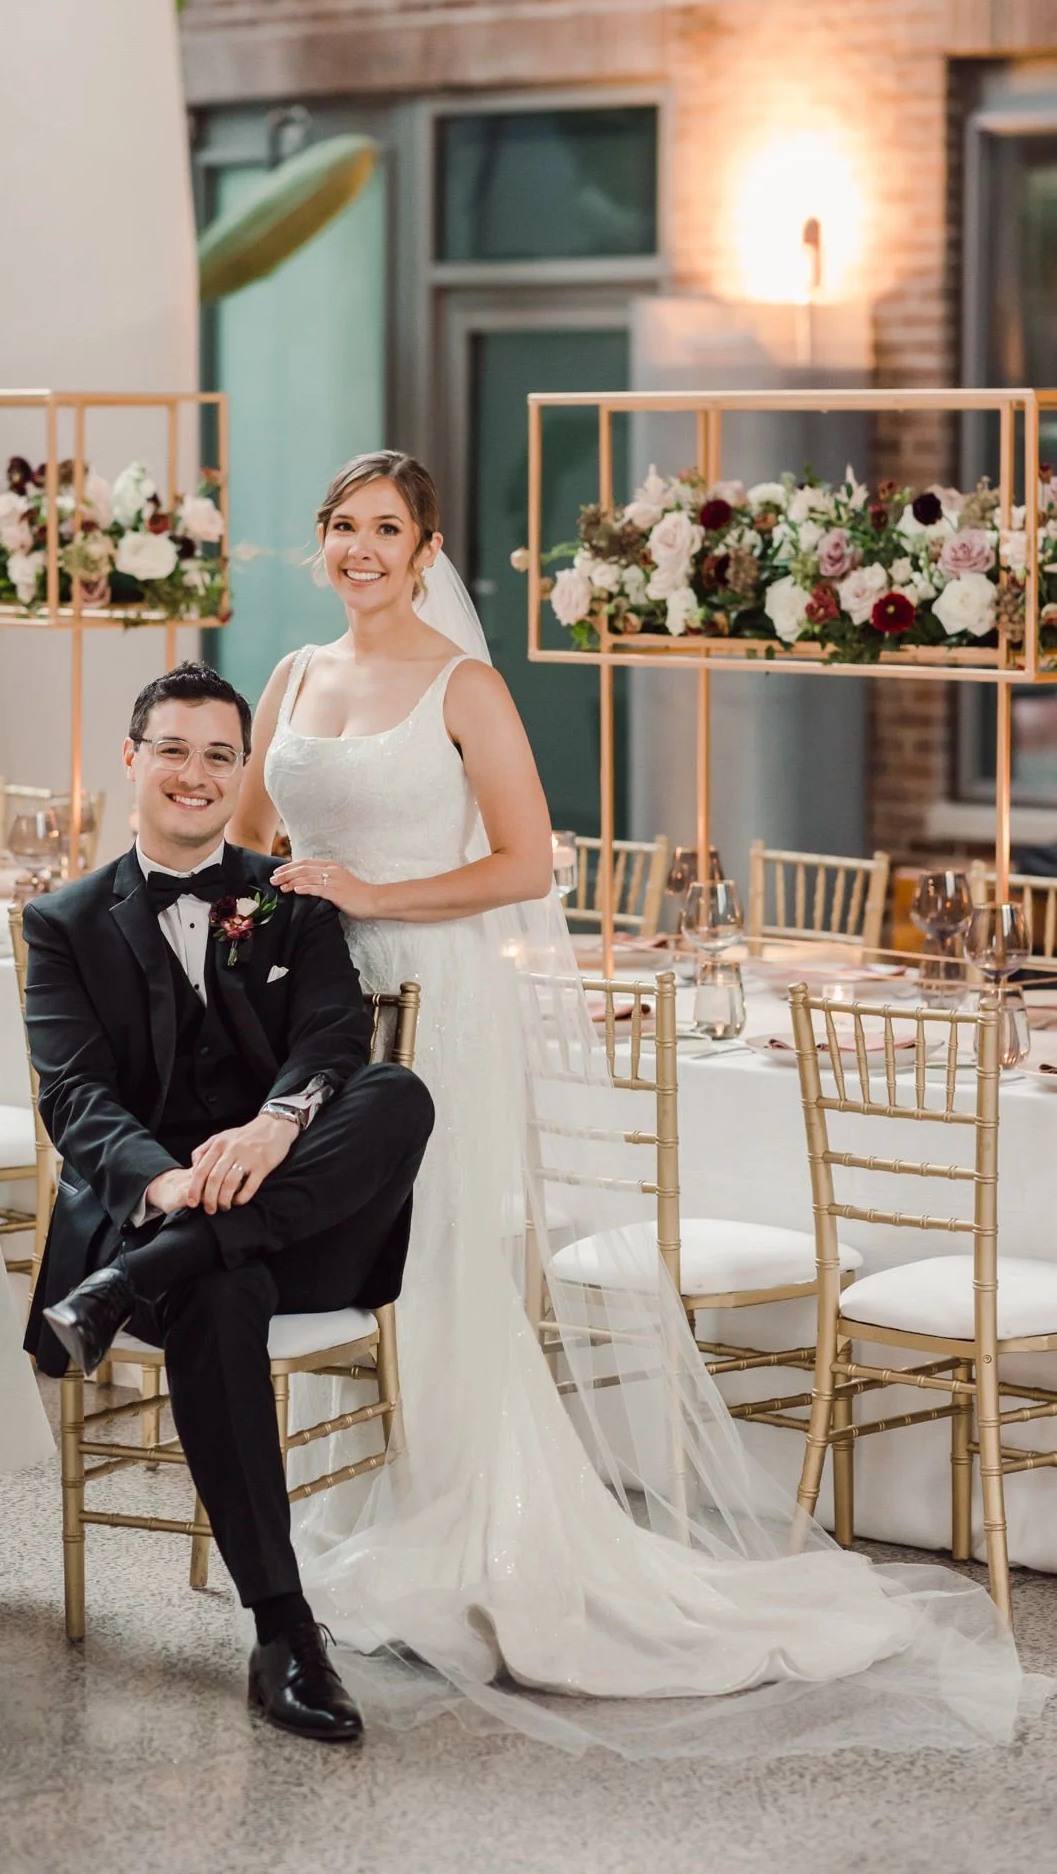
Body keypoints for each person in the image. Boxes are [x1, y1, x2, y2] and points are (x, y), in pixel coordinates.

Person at [229, 448, 1044, 1757]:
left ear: (428, 551)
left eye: (385, 528)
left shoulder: (463, 685)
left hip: (431, 1001)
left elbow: (518, 859)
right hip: (314, 1011)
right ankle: (373, 1506)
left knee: (432, 1254)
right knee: (347, 1257)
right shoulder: (290, 676)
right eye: (338, 525)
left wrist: (374, 896)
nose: (358, 548)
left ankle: (482, 1533)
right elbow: (259, 829)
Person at [21, 661, 434, 1743]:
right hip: (157, 1215)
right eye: (174, 749)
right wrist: (166, 1186)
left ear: (241, 768)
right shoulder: (62, 921)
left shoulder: (289, 896)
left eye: (218, 754)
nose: (196, 774)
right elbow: (74, 1094)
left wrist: (277, 1122)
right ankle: (285, 1632)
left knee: (397, 1091)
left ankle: (139, 1279)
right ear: (132, 757)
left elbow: (335, 1037)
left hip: (286, 1212)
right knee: (217, 1284)